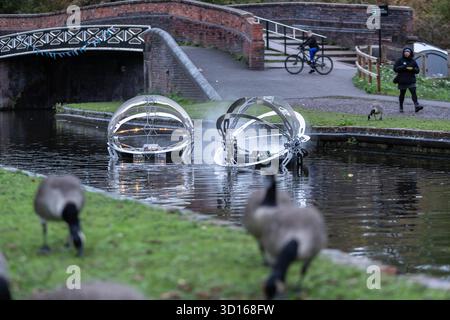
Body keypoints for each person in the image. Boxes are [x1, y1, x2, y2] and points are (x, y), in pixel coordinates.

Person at [393, 48, 423, 113]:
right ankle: (401, 107)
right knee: (402, 94)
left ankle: (416, 105)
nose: (406, 53)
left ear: (410, 53)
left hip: (411, 80)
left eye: (408, 52)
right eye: (405, 52)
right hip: (402, 80)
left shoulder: (413, 61)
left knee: (413, 92)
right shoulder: (400, 60)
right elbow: (395, 69)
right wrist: (402, 67)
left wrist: (413, 69)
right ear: (403, 53)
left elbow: (417, 70)